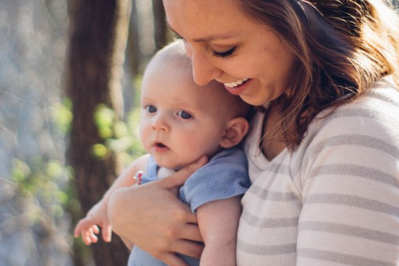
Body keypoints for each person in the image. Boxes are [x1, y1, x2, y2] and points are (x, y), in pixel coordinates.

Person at [107, 0, 399, 266]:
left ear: (299, 20)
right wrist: (122, 211)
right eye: (183, 39)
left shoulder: (356, 137)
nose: (200, 76)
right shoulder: (258, 104)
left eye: (223, 49)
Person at [74, 41, 253, 266]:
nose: (158, 124)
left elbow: (221, 245)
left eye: (183, 114)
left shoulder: (213, 175)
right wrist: (100, 211)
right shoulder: (158, 163)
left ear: (229, 133)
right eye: (151, 109)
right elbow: (137, 167)